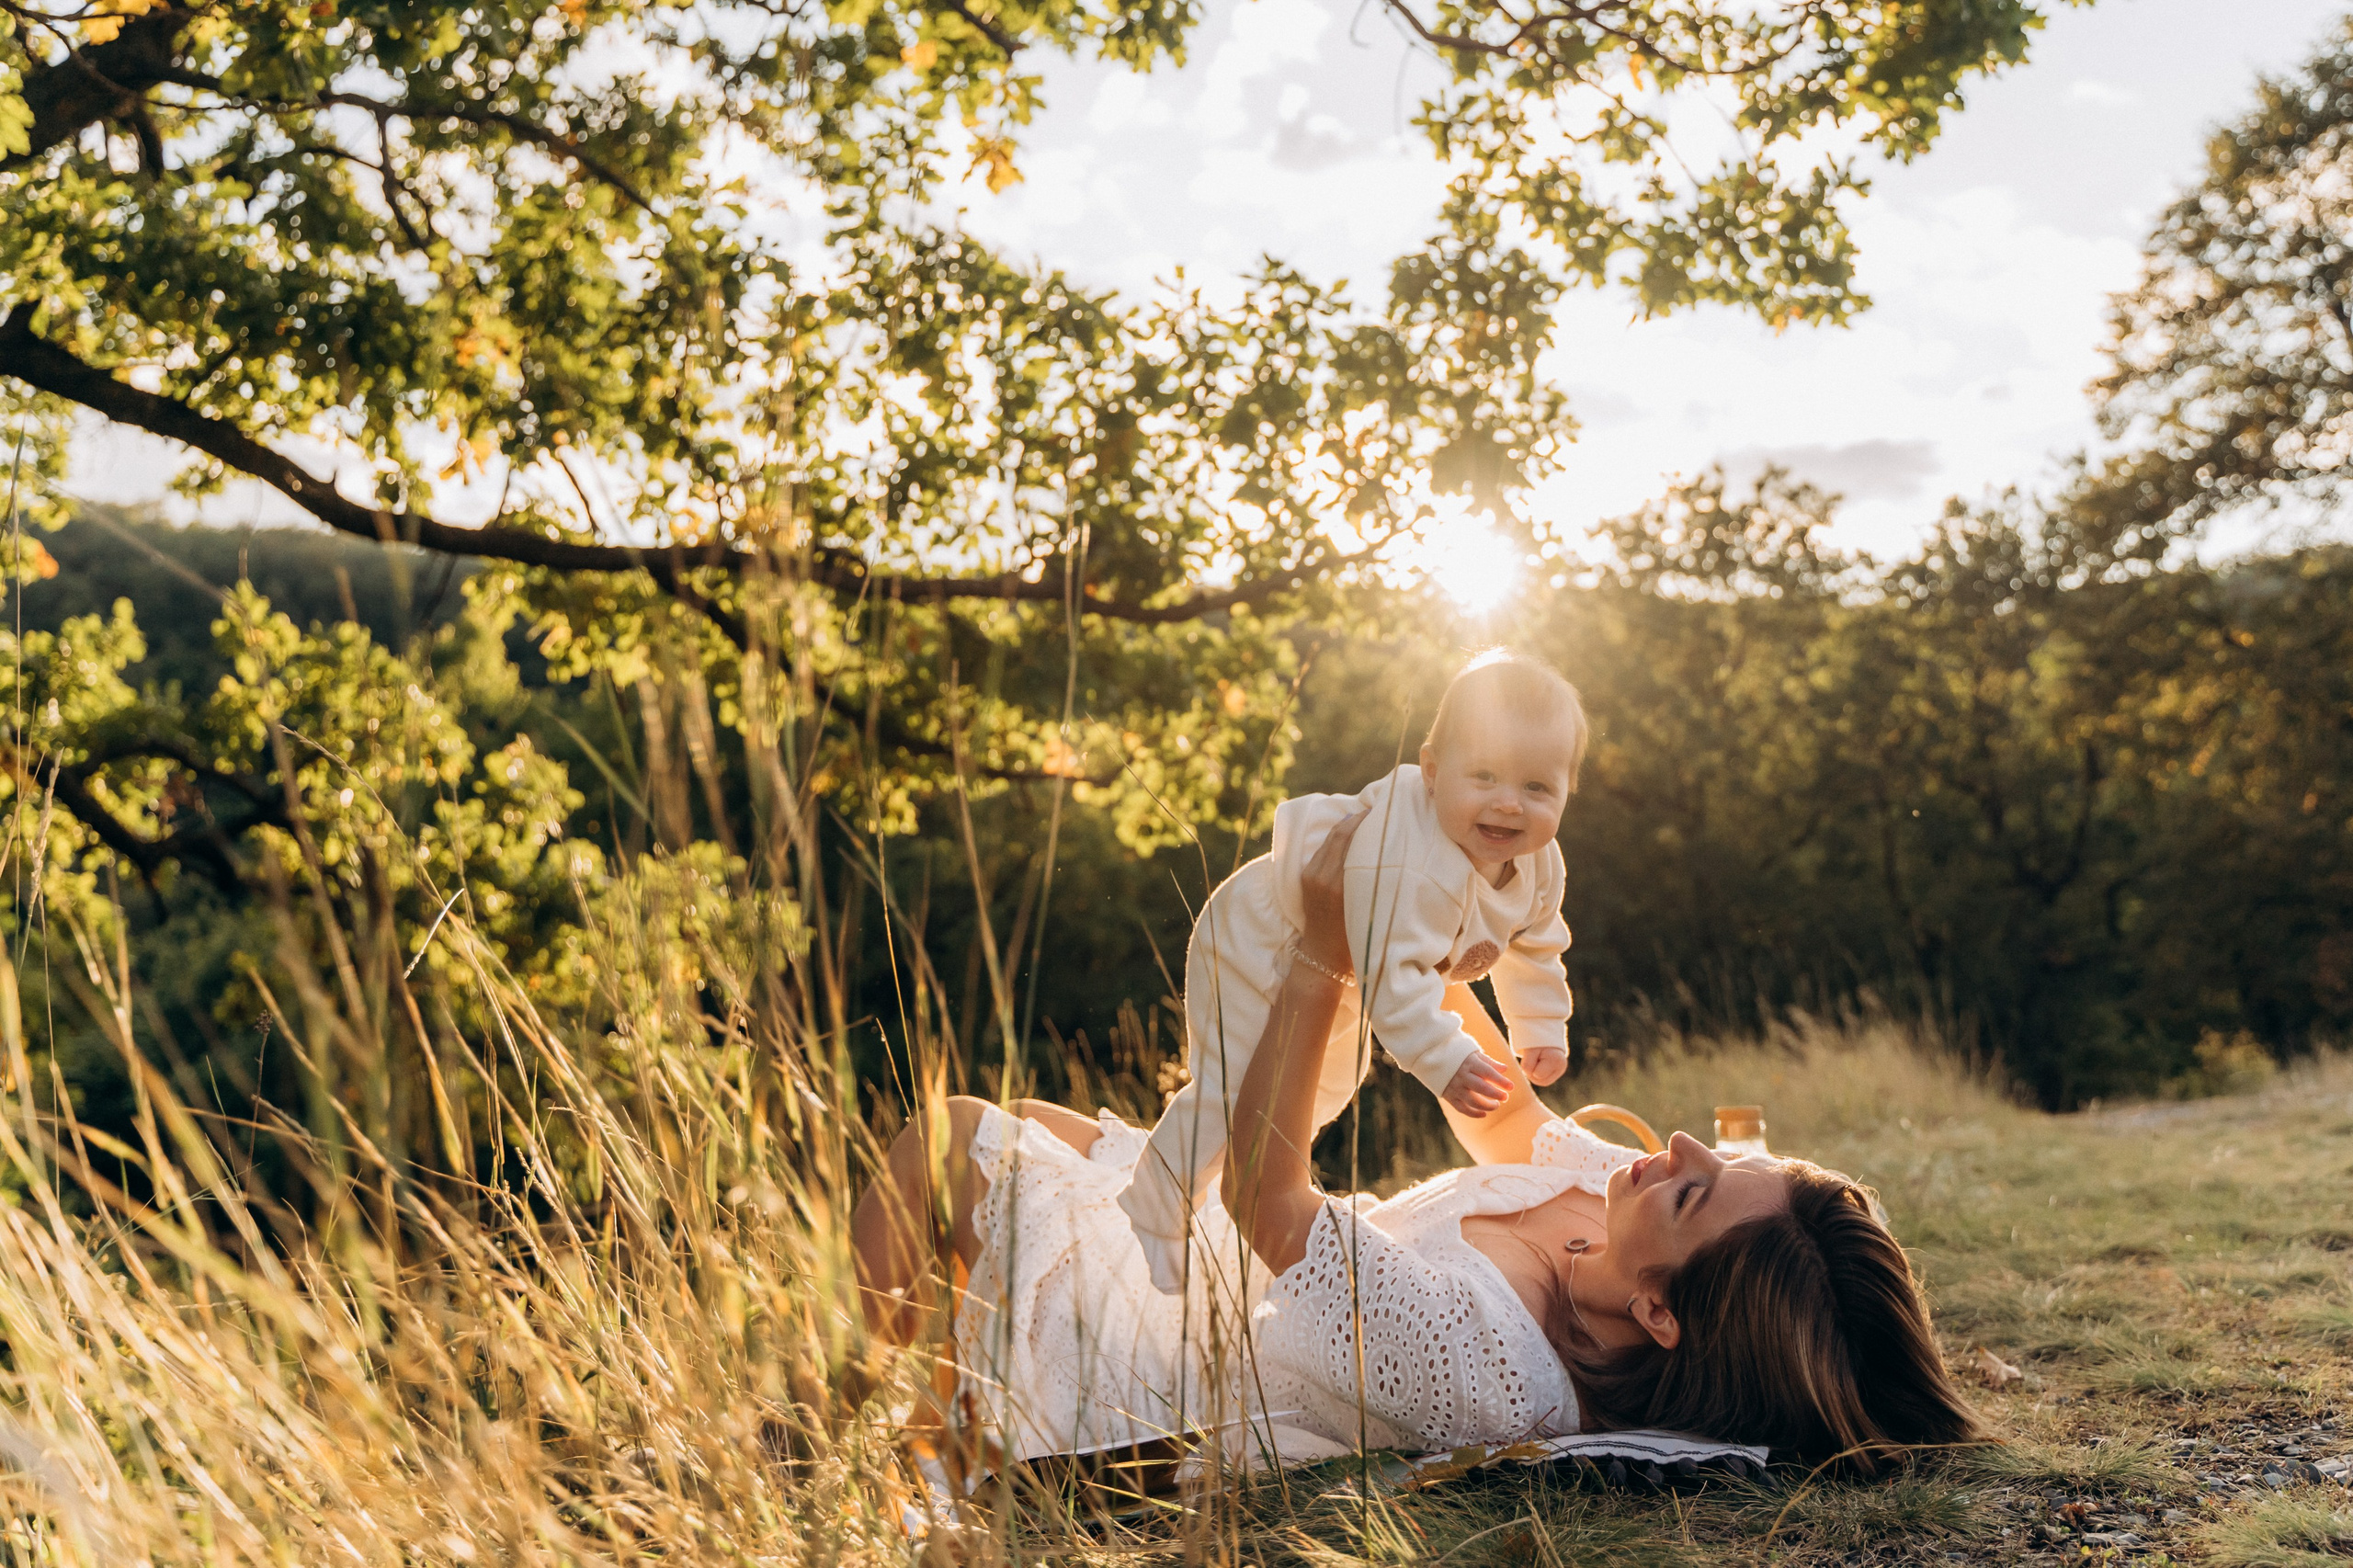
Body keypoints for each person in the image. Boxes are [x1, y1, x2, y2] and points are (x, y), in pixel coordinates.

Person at [851, 811, 1986, 1475]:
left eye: (1695, 1193)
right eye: (1719, 1161)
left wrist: (1327, 953)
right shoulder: (1614, 1207)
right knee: (1051, 1131)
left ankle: (826, 1411)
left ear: (1661, 1313)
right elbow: (1499, 1113)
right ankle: (891, 1408)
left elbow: (1265, 1193)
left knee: (953, 1139)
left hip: (1185, 1340)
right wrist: (1436, 922)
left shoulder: (1484, 1369)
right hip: (1232, 1249)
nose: (1680, 1144)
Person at [1118, 649, 1586, 1295]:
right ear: (1431, 770)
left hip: (1343, 960)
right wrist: (1445, 1059)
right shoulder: (1413, 866)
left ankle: (1231, 1181)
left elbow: (1537, 943)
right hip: (1262, 937)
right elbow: (1399, 985)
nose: (1509, 804)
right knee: (1236, 1085)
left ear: (1566, 792)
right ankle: (1155, 1203)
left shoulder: (1539, 864)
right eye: (1483, 776)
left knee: (1326, 1088)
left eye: (1537, 787)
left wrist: (1540, 1028)